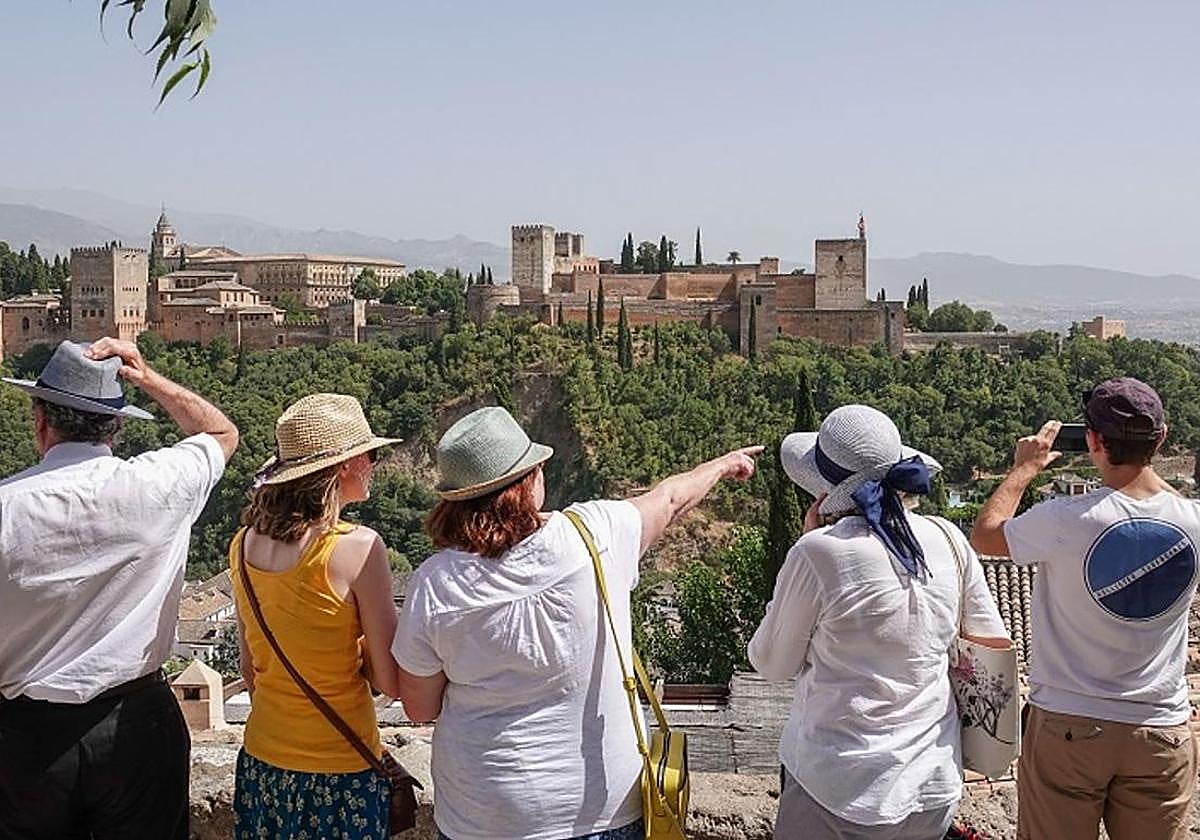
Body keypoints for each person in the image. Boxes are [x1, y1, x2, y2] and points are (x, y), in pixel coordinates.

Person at [391, 406, 760, 840]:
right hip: (604, 806)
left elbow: (418, 707)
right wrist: (719, 466)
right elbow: (671, 499)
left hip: (486, 814)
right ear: (530, 481)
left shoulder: (435, 584)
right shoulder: (595, 534)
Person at [0, 337, 238, 840]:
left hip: (23, 734)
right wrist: (147, 377)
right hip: (136, 725)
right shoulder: (160, 484)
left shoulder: (6, 507)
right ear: (118, 424)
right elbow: (220, 431)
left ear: (40, 421)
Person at [749, 404, 1009, 840]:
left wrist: (807, 548)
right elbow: (992, 642)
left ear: (826, 489)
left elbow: (772, 663)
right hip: (932, 784)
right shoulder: (948, 539)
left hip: (839, 785)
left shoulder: (819, 553)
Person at [971, 378, 1199, 840]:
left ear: (1093, 441)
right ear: (1162, 438)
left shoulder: (1065, 519)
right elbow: (1164, 504)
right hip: (1160, 730)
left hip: (1069, 725)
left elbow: (987, 533)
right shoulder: (1192, 521)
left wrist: (1024, 469)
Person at [229, 393, 403, 840]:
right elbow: (388, 679)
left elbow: (250, 669)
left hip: (264, 762)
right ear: (345, 465)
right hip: (340, 769)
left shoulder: (242, 545)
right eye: (371, 454)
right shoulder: (358, 548)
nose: (374, 464)